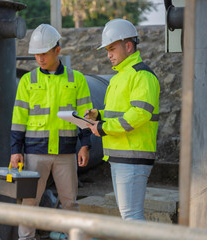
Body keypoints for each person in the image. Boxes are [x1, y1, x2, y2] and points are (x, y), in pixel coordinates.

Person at [10, 24, 93, 239]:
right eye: (36, 54)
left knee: (70, 203)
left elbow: (86, 117)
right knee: (29, 203)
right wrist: (15, 150)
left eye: (44, 53)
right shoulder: (28, 81)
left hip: (65, 153)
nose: (39, 59)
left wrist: (85, 145)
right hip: (34, 153)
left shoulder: (77, 79)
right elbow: (19, 119)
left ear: (57, 50)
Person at [85, 19, 160, 221]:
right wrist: (98, 115)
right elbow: (120, 111)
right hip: (121, 155)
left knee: (131, 216)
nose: (108, 54)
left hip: (133, 156)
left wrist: (104, 128)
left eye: (112, 48)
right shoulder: (120, 76)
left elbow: (139, 114)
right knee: (128, 215)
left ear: (128, 46)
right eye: (107, 50)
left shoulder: (142, 75)